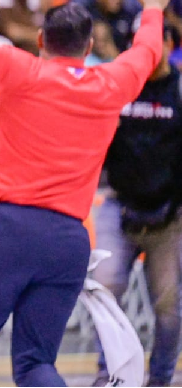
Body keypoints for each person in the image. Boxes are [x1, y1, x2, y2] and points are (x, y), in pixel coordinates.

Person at [0, 0, 176, 387]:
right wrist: (152, 6)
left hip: (6, 233)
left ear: (41, 39)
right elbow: (146, 52)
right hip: (66, 242)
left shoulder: (20, 70)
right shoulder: (109, 83)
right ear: (87, 48)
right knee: (36, 364)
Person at [93, 24, 182, 387]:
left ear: (170, 44)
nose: (145, 49)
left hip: (171, 217)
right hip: (119, 206)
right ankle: (109, 375)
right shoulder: (120, 84)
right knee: (104, 288)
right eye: (137, 43)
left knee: (168, 305)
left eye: (154, 41)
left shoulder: (178, 90)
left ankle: (160, 379)